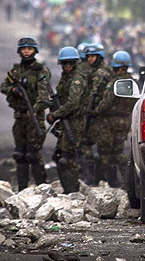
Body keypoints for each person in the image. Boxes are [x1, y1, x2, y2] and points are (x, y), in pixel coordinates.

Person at [0, 37, 51, 190]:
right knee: (19, 154)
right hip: (19, 116)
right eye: (24, 49)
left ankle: (42, 188)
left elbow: (43, 95)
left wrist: (35, 110)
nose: (27, 51)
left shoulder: (41, 71)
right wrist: (13, 90)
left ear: (35, 51)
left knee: (32, 154)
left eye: (29, 49)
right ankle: (22, 190)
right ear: (20, 51)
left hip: (34, 116)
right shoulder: (16, 71)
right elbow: (3, 86)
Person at [92, 51, 137, 187]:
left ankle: (102, 181)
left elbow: (106, 102)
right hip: (124, 122)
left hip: (108, 122)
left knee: (105, 152)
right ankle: (126, 180)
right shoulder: (132, 83)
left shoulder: (115, 83)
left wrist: (95, 112)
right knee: (118, 151)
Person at [47, 47, 86, 194]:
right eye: (65, 63)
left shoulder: (77, 80)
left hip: (74, 122)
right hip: (65, 122)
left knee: (67, 159)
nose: (68, 66)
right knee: (60, 157)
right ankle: (68, 191)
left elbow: (73, 103)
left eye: (70, 63)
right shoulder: (65, 79)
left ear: (75, 63)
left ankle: (73, 192)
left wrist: (55, 115)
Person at [81, 43, 113, 183]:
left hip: (100, 115)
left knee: (101, 147)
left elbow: (94, 94)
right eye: (88, 56)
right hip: (97, 113)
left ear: (99, 57)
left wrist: (92, 110)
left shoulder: (101, 73)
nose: (90, 59)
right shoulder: (96, 71)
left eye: (93, 56)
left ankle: (99, 177)